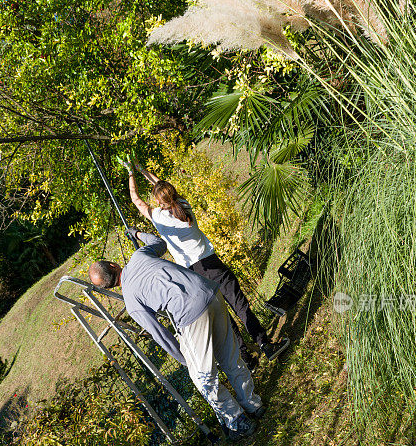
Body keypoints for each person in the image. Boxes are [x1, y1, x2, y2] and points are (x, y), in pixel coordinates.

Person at [88, 231, 265, 441]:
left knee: (203, 378)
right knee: (229, 356)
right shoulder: (140, 255)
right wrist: (136, 233)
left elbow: (160, 335)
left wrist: (184, 359)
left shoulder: (131, 302)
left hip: (190, 316)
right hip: (211, 293)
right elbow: (158, 242)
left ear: (107, 286)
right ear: (114, 265)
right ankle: (253, 404)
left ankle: (237, 421)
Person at [120, 157, 289, 369]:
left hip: (194, 274)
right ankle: (265, 344)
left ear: (158, 201)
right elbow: (162, 186)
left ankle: (247, 361)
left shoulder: (159, 217)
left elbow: (136, 200)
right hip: (213, 264)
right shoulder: (184, 206)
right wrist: (143, 169)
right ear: (173, 193)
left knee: (225, 318)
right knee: (240, 306)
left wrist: (131, 173)